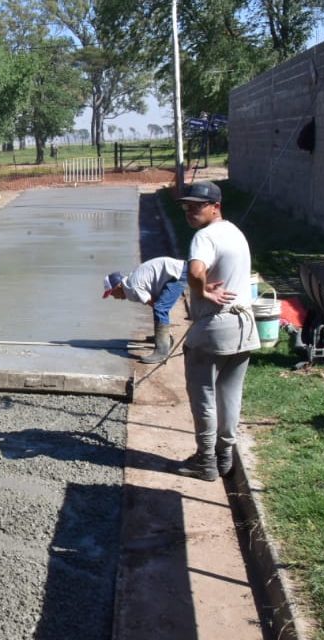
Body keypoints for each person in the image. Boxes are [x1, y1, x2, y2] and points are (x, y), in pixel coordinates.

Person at [175, 181, 257, 481]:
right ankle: (225, 456)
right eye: (187, 206)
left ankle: (205, 460)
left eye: (197, 205)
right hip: (244, 326)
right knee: (230, 395)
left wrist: (203, 292)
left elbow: (196, 271)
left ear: (215, 206)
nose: (190, 211)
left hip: (215, 327)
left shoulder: (204, 237)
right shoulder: (234, 232)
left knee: (204, 395)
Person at [103, 256, 187, 364]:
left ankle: (162, 350)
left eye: (112, 293)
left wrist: (163, 327)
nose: (114, 297)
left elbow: (154, 304)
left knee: (160, 307)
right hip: (176, 270)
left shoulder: (132, 287)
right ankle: (162, 338)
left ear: (118, 286)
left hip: (178, 274)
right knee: (159, 307)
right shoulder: (130, 282)